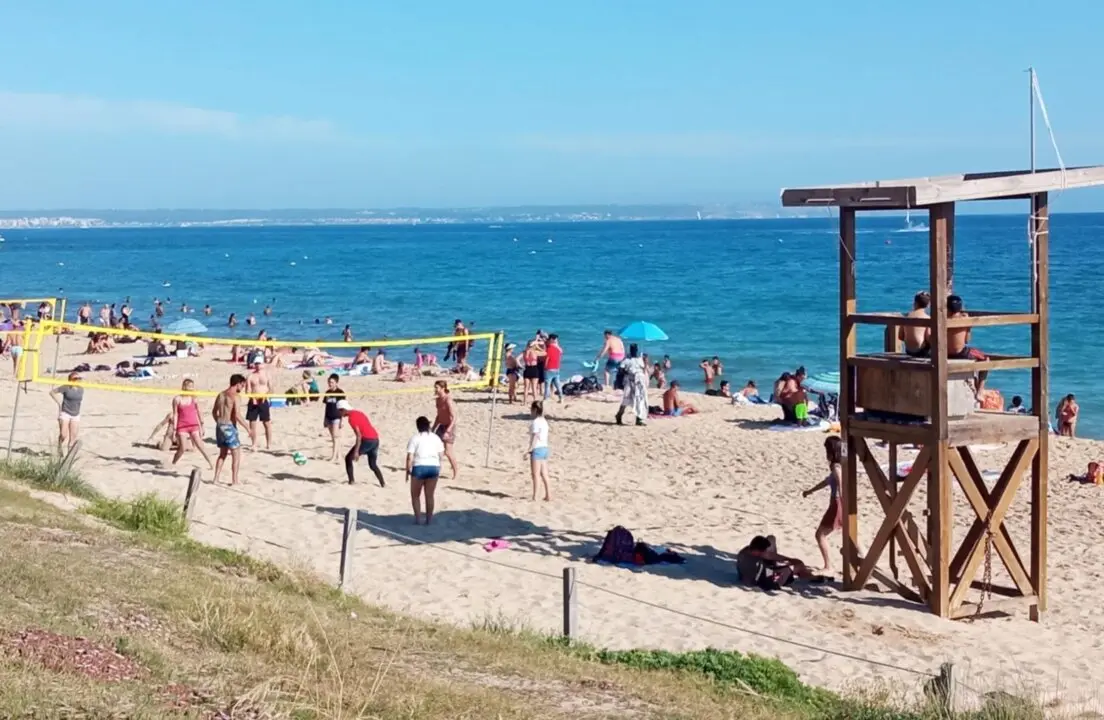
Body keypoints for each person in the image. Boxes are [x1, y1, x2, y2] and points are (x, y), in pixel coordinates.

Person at [802, 435, 845, 572]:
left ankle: (828, 566)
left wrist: (843, 500)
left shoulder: (835, 466)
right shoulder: (844, 463)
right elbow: (827, 482)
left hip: (837, 503)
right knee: (850, 534)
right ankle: (864, 560)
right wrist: (810, 491)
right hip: (842, 503)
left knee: (820, 535)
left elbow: (839, 482)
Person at [736, 535, 819, 590]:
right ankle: (810, 578)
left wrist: (788, 560)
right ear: (759, 551)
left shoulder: (744, 552)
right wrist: (786, 566)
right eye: (764, 551)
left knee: (771, 538)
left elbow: (769, 556)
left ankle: (806, 575)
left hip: (758, 575)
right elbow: (763, 580)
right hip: (771, 581)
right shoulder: (756, 564)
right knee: (798, 565)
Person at [406, 415, 445, 525]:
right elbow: (441, 455)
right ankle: (429, 520)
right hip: (433, 467)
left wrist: (408, 470)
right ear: (428, 425)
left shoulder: (415, 438)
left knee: (415, 495)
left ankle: (418, 519)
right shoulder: (435, 438)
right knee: (429, 495)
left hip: (419, 467)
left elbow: (410, 457)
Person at [947, 294, 989, 396]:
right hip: (960, 352)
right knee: (986, 359)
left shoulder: (943, 319)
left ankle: (973, 384)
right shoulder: (964, 319)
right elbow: (967, 340)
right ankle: (979, 391)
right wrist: (969, 326)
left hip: (945, 352)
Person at [337, 400, 385, 487]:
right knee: (373, 465)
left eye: (339, 411)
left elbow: (359, 436)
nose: (339, 413)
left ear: (343, 409)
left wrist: (356, 451)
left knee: (348, 458)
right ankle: (383, 483)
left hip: (367, 440)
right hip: (375, 439)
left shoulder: (351, 419)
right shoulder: (359, 412)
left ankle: (351, 481)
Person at [170, 379, 214, 470]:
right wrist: (174, 429)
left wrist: (202, 425)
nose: (192, 388)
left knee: (200, 446)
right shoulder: (177, 399)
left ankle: (211, 464)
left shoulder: (194, 398)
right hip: (182, 426)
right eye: (190, 386)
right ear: (184, 387)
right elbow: (175, 414)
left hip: (193, 425)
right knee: (182, 448)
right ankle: (173, 463)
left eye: (192, 386)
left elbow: (199, 412)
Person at [213, 374, 246, 485]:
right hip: (229, 426)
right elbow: (237, 415)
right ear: (238, 384)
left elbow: (214, 412)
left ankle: (216, 479)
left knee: (222, 454)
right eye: (242, 386)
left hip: (220, 425)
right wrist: (248, 428)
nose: (242, 388)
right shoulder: (235, 396)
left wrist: (219, 423)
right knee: (236, 454)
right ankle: (235, 480)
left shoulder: (221, 395)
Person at [50, 372, 84, 455]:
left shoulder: (81, 389)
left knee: (73, 437)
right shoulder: (66, 387)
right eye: (75, 379)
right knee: (63, 435)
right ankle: (59, 444)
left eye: (79, 379)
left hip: (75, 414)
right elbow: (52, 392)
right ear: (70, 380)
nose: (78, 380)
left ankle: (68, 456)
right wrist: (58, 403)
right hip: (65, 412)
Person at [615, 344, 649, 426]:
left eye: (635, 350)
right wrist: (627, 372)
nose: (634, 352)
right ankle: (619, 415)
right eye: (633, 350)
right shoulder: (626, 360)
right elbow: (620, 369)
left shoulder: (640, 359)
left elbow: (643, 370)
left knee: (640, 400)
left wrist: (646, 362)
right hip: (629, 381)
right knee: (626, 399)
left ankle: (639, 419)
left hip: (639, 381)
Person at [432, 380, 459, 479]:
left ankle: (456, 472)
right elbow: (438, 416)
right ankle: (437, 470)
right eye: (435, 387)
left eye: (437, 387)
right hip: (441, 425)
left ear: (443, 388)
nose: (435, 389)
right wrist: (433, 428)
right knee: (437, 449)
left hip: (449, 426)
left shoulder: (448, 400)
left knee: (448, 451)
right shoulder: (437, 400)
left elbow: (454, 417)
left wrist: (448, 430)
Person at [526, 401, 551, 501]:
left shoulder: (536, 422)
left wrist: (530, 449)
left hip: (537, 448)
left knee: (535, 474)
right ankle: (548, 495)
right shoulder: (544, 421)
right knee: (544, 473)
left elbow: (535, 436)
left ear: (535, 410)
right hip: (545, 447)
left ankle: (535, 496)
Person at [245, 358, 273, 450]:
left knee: (266, 423)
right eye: (256, 363)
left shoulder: (267, 375)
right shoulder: (250, 376)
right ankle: (254, 443)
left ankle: (269, 443)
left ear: (263, 364)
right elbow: (247, 390)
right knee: (252, 423)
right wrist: (252, 398)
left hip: (263, 400)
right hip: (253, 401)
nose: (258, 365)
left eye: (259, 363)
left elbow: (271, 389)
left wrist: (265, 396)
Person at [899, 291, 931, 357]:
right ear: (928, 305)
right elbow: (928, 338)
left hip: (908, 351)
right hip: (921, 352)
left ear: (915, 303)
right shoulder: (927, 318)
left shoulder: (906, 316)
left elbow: (900, 336)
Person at [321, 373, 345, 461]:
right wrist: (325, 419)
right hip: (329, 417)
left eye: (332, 382)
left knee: (336, 436)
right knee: (334, 438)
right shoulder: (327, 392)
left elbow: (342, 408)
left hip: (336, 417)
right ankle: (339, 456)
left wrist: (342, 420)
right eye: (329, 382)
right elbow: (326, 406)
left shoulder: (340, 393)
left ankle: (334, 457)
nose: (330, 384)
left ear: (336, 383)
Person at [521, 340, 544, 406]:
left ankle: (524, 402)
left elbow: (517, 359)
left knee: (526, 388)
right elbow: (545, 353)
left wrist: (521, 366)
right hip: (534, 369)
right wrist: (538, 346)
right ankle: (535, 401)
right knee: (534, 387)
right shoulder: (535, 352)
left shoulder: (524, 352)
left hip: (527, 369)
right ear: (533, 345)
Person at [543, 334, 564, 403]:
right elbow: (561, 351)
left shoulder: (549, 348)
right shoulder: (558, 349)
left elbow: (547, 358)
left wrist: (545, 367)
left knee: (547, 385)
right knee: (558, 384)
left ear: (550, 340)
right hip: (557, 368)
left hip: (549, 368)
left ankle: (546, 399)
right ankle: (561, 397)